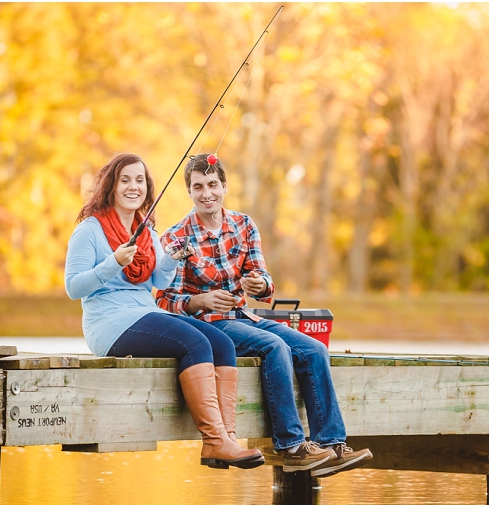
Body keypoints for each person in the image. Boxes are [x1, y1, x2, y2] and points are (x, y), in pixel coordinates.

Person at [157, 153, 372, 478]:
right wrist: (201, 300)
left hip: (246, 317)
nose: (206, 193)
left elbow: (265, 284)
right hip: (209, 328)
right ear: (189, 191)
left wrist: (259, 284)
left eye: (212, 184)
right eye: (198, 186)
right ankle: (291, 446)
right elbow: (164, 300)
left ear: (224, 186)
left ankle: (332, 444)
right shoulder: (178, 238)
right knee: (275, 347)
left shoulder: (243, 226)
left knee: (315, 349)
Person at [65, 153, 264, 470]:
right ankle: (214, 441)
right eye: (125, 179)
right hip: (110, 324)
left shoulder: (146, 233)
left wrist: (171, 257)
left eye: (140, 180)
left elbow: (158, 280)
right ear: (111, 186)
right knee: (194, 342)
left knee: (222, 344)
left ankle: (227, 439)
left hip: (144, 314)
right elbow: (74, 287)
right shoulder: (90, 231)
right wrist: (113, 263)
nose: (134, 186)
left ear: (148, 187)